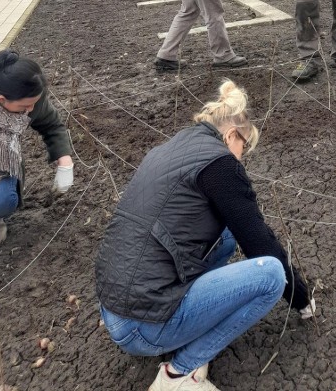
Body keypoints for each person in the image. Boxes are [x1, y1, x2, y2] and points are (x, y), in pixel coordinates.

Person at [96, 79, 315, 391]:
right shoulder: (220, 163)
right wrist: (301, 297)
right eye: (244, 147)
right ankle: (177, 373)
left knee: (225, 234)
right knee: (271, 276)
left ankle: (184, 321)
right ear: (230, 136)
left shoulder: (172, 147)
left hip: (115, 306)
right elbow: (260, 245)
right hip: (141, 326)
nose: (242, 157)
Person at [0, 49, 74, 245]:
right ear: (1, 100)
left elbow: (52, 125)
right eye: (24, 107)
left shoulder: (29, 96)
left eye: (33, 104)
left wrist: (65, 161)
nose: (30, 111)